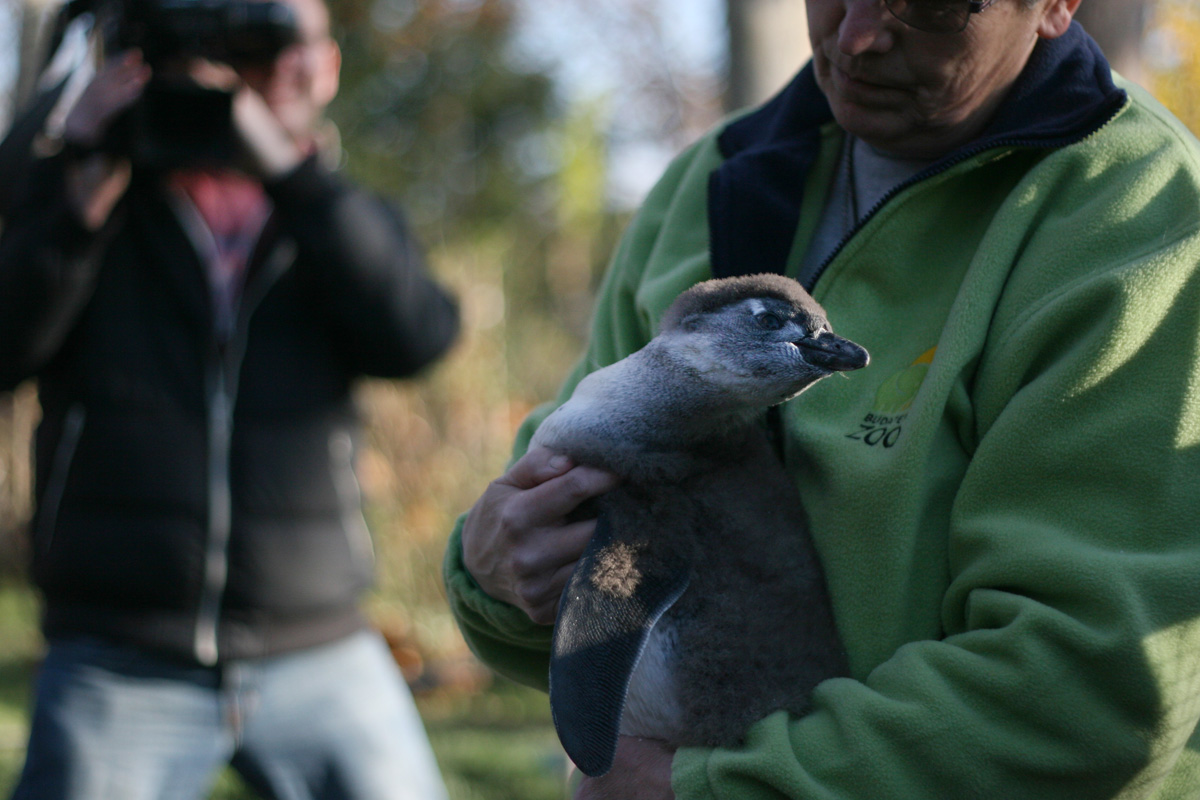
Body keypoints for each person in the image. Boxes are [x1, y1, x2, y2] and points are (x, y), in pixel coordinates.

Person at [444, 0, 1200, 797]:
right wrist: (494, 572)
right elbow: (566, 547)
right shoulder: (711, 180)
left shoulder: (1143, 229)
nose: (858, 37)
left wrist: (711, 788)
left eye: (932, 7)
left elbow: (1086, 694)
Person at [0, 0, 459, 795]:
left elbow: (416, 336)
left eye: (293, 40)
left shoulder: (338, 214)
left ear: (330, 65)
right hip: (118, 654)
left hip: (319, 646)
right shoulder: (95, 195)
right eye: (253, 42)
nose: (279, 64)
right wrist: (76, 179)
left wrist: (293, 176)